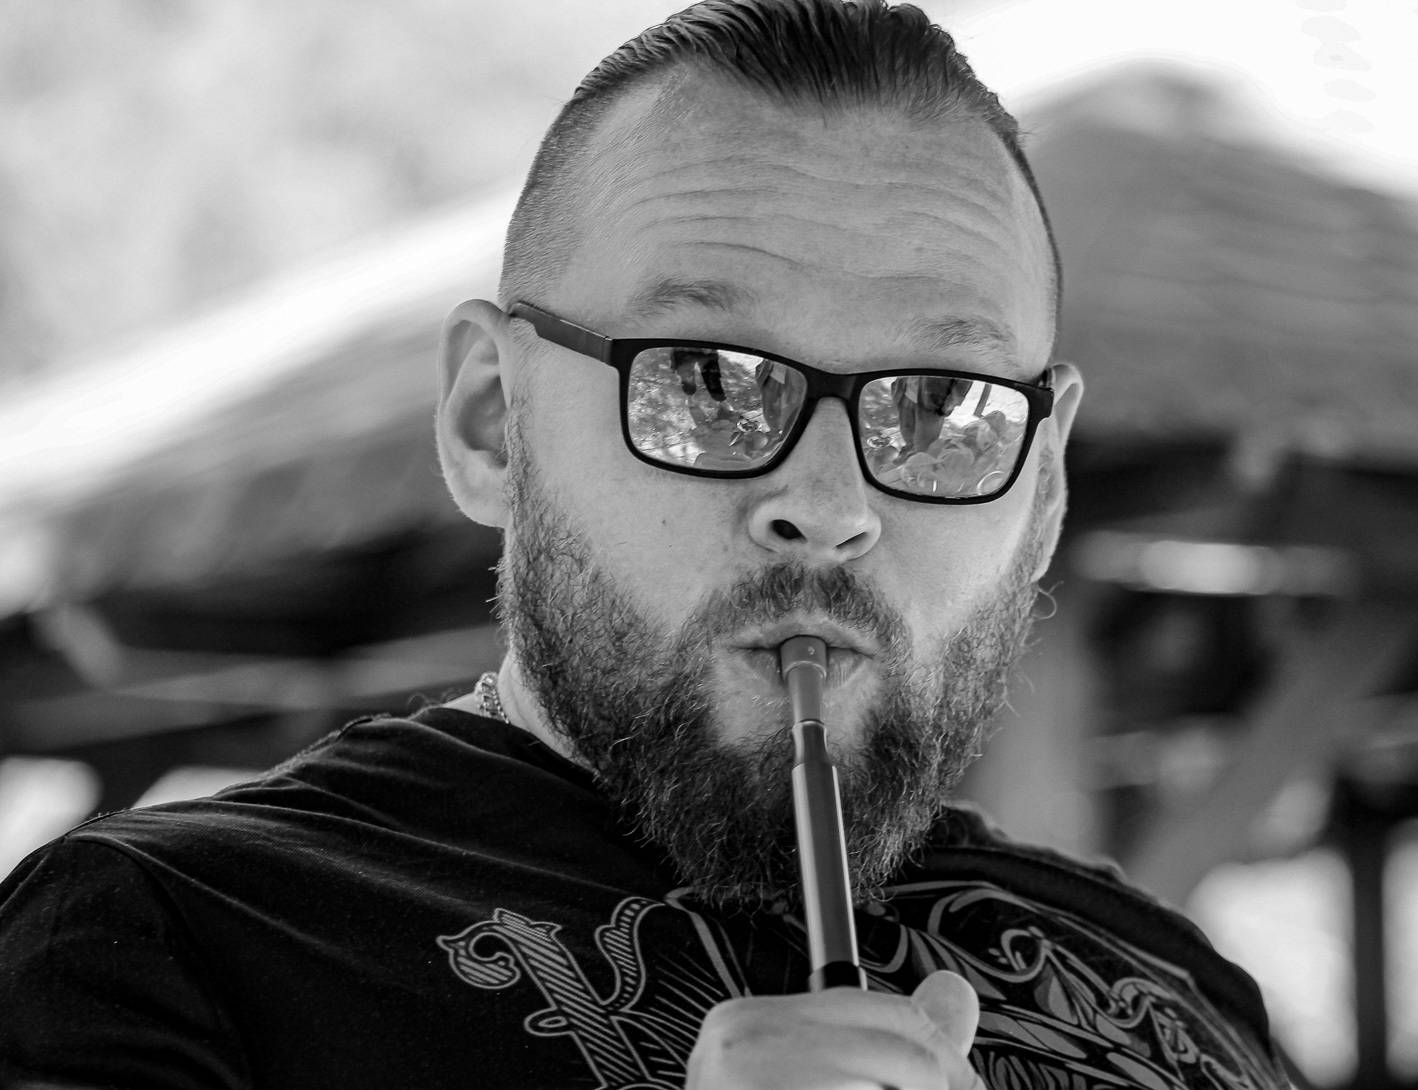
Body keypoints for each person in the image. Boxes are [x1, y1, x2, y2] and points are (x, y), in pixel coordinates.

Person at [0, 2, 1290, 1087]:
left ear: (1043, 486)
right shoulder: (165, 943)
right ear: (493, 423)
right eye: (708, 385)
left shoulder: (1170, 992)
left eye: (943, 410)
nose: (828, 505)